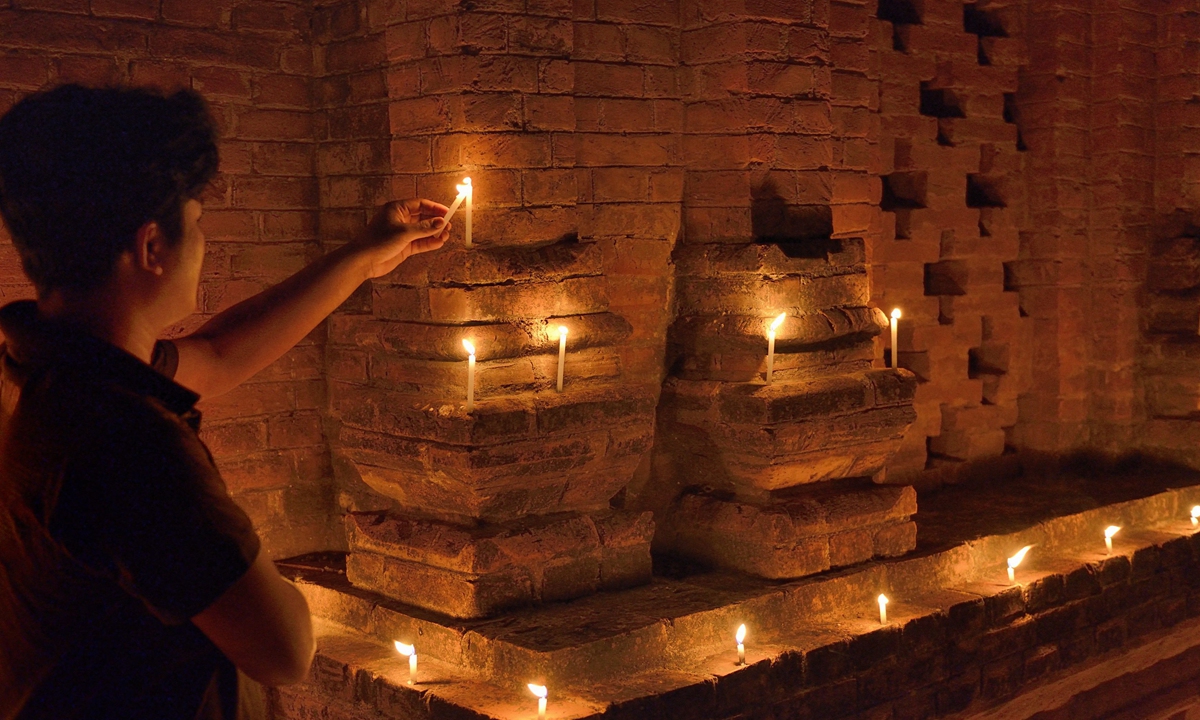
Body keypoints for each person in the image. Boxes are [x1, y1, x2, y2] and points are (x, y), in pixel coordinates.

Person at [0, 84, 449, 719]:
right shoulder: (128, 441)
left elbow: (220, 353)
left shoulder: (50, 363)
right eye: (199, 221)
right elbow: (286, 649)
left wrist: (363, 258)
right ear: (152, 247)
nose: (204, 242)